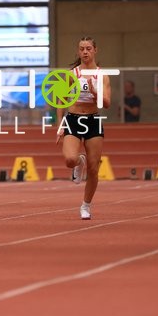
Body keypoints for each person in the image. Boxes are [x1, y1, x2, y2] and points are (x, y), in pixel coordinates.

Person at [55, 36, 112, 221]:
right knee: (69, 159)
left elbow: (107, 103)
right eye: (82, 49)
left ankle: (86, 205)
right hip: (72, 119)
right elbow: (60, 100)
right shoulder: (72, 74)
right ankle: (79, 162)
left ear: (95, 50)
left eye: (88, 48)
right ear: (78, 51)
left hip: (93, 120)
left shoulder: (102, 75)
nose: (85, 52)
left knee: (94, 168)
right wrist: (60, 125)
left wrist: (95, 92)